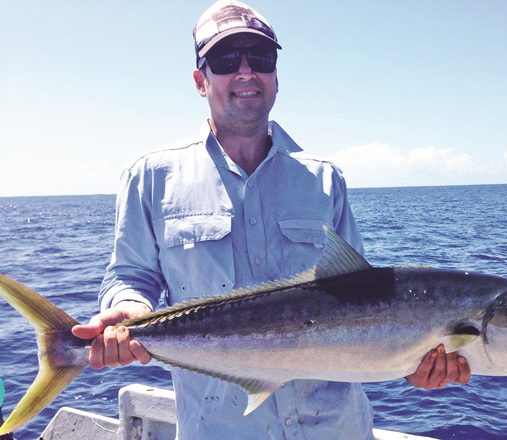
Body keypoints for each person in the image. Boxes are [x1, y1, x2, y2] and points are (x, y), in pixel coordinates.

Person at [71, 1, 470, 439]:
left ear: (275, 77)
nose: (246, 73)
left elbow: (363, 298)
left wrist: (413, 363)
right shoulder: (151, 177)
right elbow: (130, 275)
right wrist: (129, 310)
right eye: (225, 60)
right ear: (200, 80)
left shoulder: (323, 179)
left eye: (260, 59)